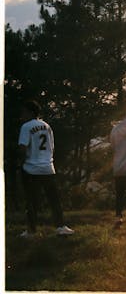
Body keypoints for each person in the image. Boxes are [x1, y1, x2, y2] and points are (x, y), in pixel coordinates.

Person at [17, 100, 74, 238]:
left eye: (24, 112)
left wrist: (21, 163)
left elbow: (23, 147)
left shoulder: (26, 126)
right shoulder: (46, 126)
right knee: (54, 199)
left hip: (31, 168)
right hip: (48, 167)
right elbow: (52, 147)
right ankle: (61, 226)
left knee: (32, 200)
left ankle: (31, 230)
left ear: (31, 112)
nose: (21, 115)